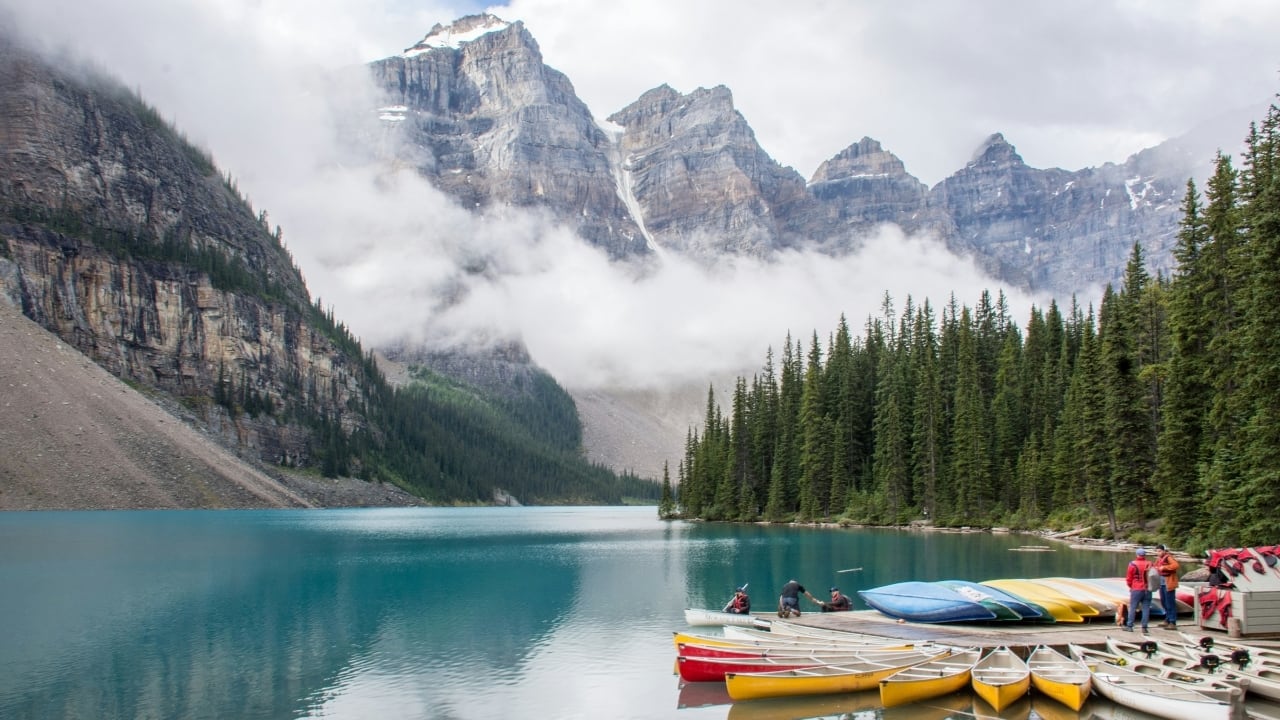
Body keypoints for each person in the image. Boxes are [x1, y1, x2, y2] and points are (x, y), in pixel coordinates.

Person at [1124, 547, 1154, 633]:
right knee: (1146, 608)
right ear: (1144, 555)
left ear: (1137, 555)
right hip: (1147, 588)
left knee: (1133, 607)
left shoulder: (1132, 564)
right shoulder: (1150, 564)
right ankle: (1144, 627)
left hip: (1136, 588)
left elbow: (1129, 578)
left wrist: (1131, 586)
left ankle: (1130, 626)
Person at [1155, 544, 1180, 629]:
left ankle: (1172, 622)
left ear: (1164, 551)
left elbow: (1175, 565)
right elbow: (1156, 566)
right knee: (1164, 602)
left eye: (1160, 551)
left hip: (1168, 584)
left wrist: (1165, 567)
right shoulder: (1159, 559)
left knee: (1170, 603)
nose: (1158, 553)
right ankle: (1167, 619)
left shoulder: (1168, 557)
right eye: (1157, 551)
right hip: (1161, 584)